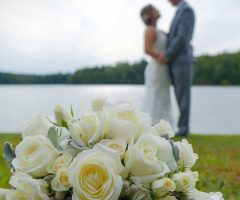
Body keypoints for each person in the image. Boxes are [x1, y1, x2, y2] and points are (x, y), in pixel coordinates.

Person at [162, 0, 195, 136]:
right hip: (176, 61)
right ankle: (181, 127)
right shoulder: (180, 11)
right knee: (179, 95)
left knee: (183, 97)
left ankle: (183, 129)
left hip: (182, 61)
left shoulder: (186, 10)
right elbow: (176, 35)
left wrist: (167, 55)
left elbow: (182, 38)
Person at [140, 4, 173, 125]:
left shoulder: (159, 31)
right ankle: (152, 125)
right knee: (155, 97)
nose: (158, 10)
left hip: (163, 69)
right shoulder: (149, 30)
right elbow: (147, 49)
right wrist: (161, 57)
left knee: (163, 97)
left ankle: (164, 127)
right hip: (157, 68)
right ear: (150, 14)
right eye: (154, 9)